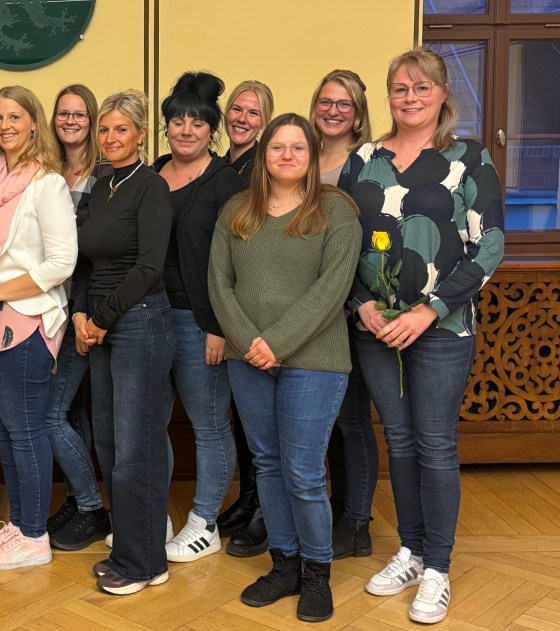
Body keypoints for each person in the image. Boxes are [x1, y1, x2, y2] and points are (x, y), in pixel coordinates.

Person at [342, 47, 504, 625]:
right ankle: (410, 550)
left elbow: (489, 246)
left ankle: (438, 566)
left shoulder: (469, 157)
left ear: (441, 93)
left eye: (420, 87)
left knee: (435, 444)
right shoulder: (362, 159)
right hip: (376, 329)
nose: (409, 98)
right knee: (401, 443)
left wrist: (430, 310)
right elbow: (339, 241)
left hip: (441, 328)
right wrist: (360, 306)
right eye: (399, 89)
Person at [208, 113, 361, 623]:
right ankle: (285, 564)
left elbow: (331, 293)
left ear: (312, 156)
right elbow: (219, 285)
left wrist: (275, 343)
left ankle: (317, 573)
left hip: (314, 362)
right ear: (264, 154)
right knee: (268, 464)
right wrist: (250, 342)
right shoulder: (237, 210)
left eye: (298, 147)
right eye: (278, 147)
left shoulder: (336, 212)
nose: (288, 155)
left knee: (302, 471)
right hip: (248, 357)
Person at [0, 85, 78, 572]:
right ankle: (20, 523)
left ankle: (34, 536)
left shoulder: (46, 183)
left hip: (23, 322)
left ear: (34, 124)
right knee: (5, 430)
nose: (5, 125)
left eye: (15, 116)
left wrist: (0, 291)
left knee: (25, 430)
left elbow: (63, 260)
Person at [72, 89, 174, 595]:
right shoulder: (102, 184)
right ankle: (128, 549)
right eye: (104, 129)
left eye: (120, 129)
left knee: (137, 449)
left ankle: (145, 562)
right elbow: (85, 260)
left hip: (140, 323)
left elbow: (149, 265)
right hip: (102, 326)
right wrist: (80, 315)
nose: (110, 138)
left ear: (140, 135)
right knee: (110, 443)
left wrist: (104, 318)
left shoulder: (149, 186)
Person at [154, 71, 242, 563]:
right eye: (177, 121)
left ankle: (204, 521)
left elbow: (233, 262)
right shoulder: (151, 173)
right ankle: (155, 517)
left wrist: (217, 326)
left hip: (198, 321)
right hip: (149, 318)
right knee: (152, 424)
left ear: (213, 130)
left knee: (209, 425)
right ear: (166, 127)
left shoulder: (225, 182)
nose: (186, 129)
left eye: (197, 122)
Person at [308, 69, 379, 560]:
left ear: (358, 115)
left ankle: (357, 522)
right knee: (327, 419)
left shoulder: (368, 163)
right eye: (326, 102)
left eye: (344, 105)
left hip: (352, 308)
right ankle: (337, 510)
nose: (333, 111)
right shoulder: (303, 155)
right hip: (313, 312)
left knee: (352, 420)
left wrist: (354, 299)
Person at [43, 83, 111, 551]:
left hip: (82, 311)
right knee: (69, 408)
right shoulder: (44, 170)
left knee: (52, 413)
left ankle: (90, 506)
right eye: (63, 113)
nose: (71, 121)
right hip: (44, 309)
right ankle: (79, 497)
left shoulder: (106, 175)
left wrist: (84, 310)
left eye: (80, 114)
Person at [215, 79, 276, 559]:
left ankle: (265, 512)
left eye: (253, 113)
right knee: (243, 418)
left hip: (261, 310)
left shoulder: (266, 166)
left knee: (264, 425)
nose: (242, 118)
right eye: (236, 109)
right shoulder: (221, 165)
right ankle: (251, 498)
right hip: (228, 301)